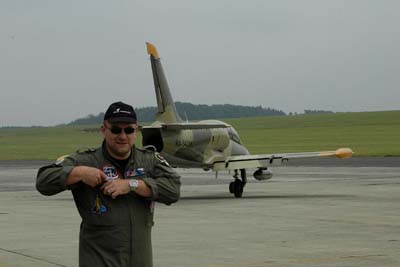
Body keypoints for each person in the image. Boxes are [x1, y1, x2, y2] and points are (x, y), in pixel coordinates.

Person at [36, 101, 181, 267]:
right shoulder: (86, 159)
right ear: (103, 129)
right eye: (115, 129)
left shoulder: (149, 160)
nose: (122, 136)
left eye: (128, 130)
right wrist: (80, 173)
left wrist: (132, 184)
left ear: (136, 131)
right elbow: (43, 181)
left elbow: (173, 189)